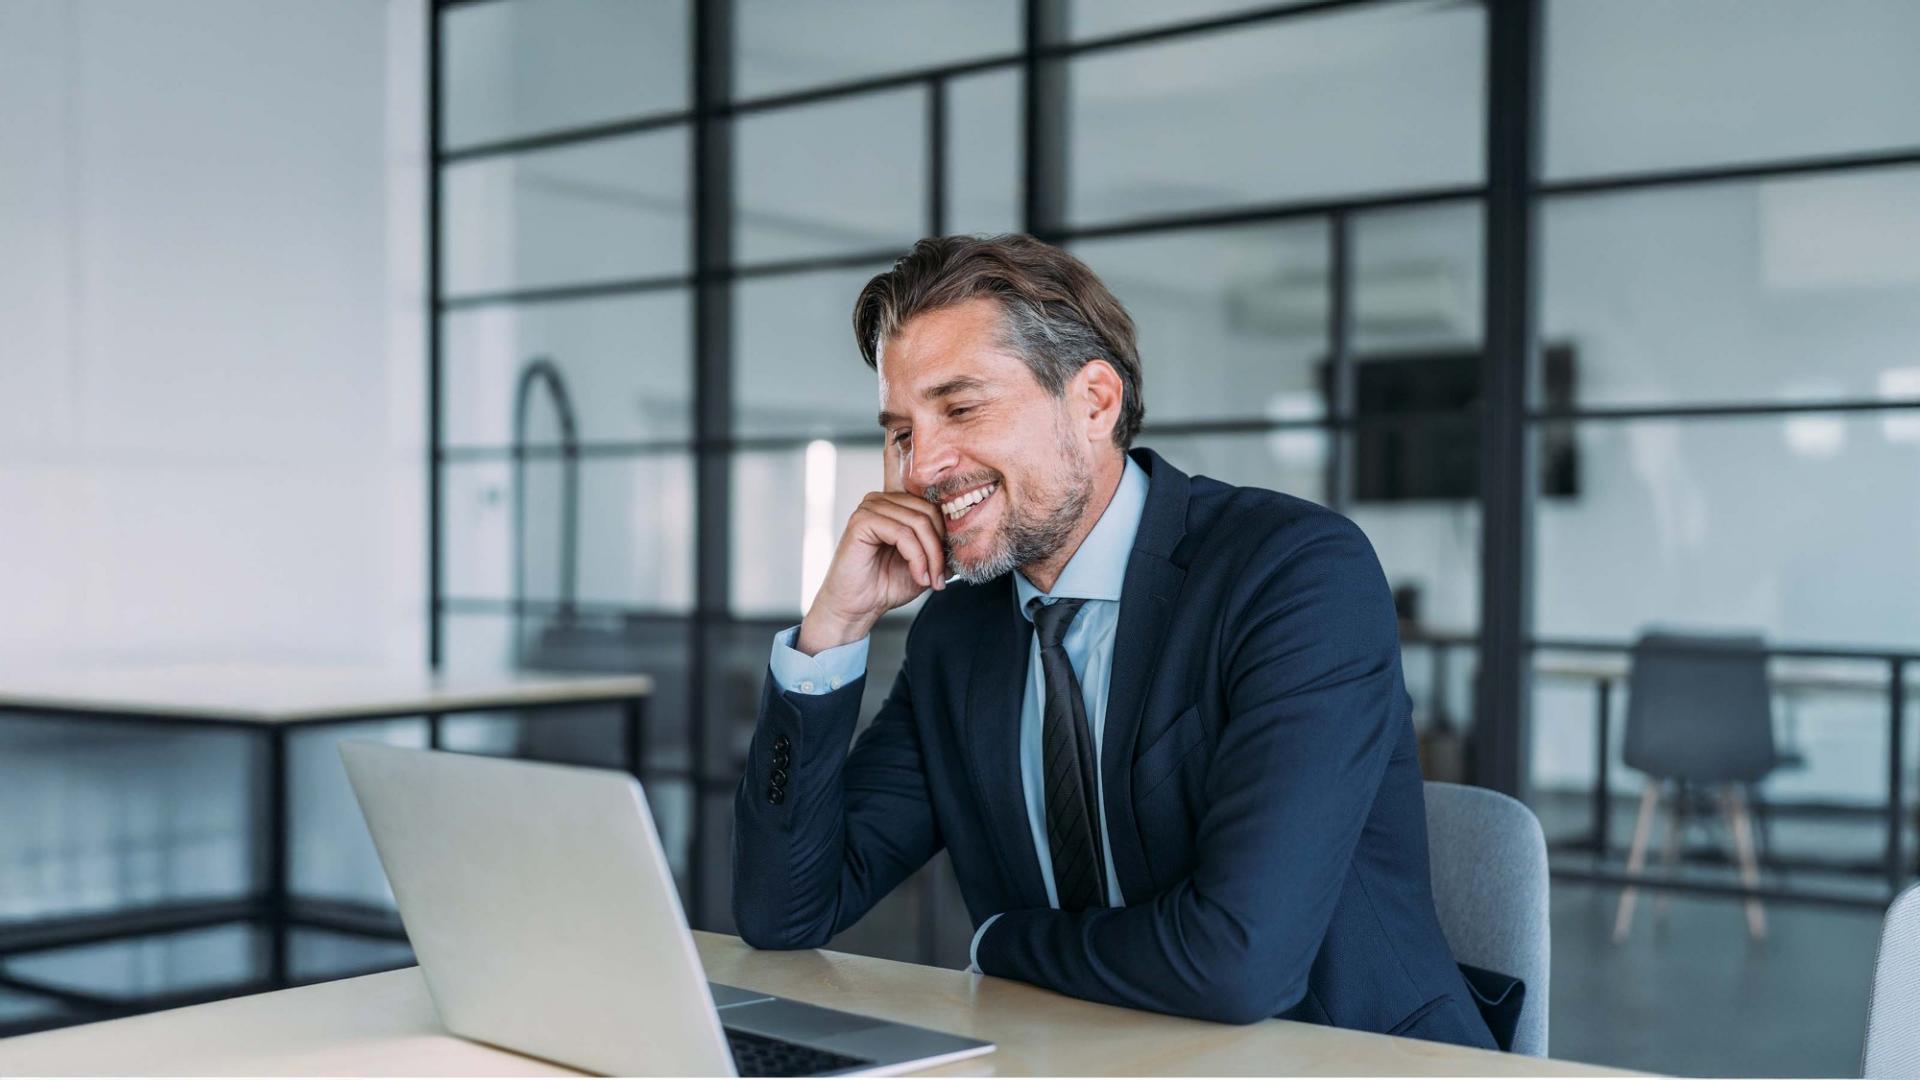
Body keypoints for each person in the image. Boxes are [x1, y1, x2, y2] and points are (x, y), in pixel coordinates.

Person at [730, 233, 1497, 1048]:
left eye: (960, 408)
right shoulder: (960, 631)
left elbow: (1238, 964)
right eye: (902, 431)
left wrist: (1001, 944)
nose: (922, 468)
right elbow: (788, 910)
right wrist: (833, 631)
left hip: (1338, 1056)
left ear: (1094, 402)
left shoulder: (1293, 573)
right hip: (1081, 1056)